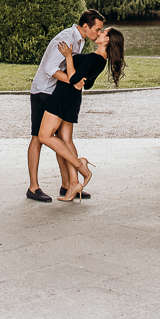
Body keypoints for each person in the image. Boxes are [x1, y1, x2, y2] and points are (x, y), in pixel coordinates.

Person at [37, 26, 126, 201]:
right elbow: (87, 84)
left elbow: (74, 80)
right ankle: (74, 184)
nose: (99, 33)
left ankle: (81, 165)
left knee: (44, 136)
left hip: (63, 97)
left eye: (103, 32)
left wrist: (69, 57)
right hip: (72, 99)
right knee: (66, 140)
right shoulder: (100, 60)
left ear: (107, 40)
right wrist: (78, 71)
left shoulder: (95, 58)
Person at [27, 10, 105, 201]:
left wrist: (74, 80)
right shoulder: (66, 39)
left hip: (58, 93)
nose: (98, 33)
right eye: (97, 29)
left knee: (62, 139)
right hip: (43, 91)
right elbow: (50, 69)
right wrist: (74, 82)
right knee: (38, 138)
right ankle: (33, 187)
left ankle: (68, 184)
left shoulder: (81, 39)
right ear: (85, 26)